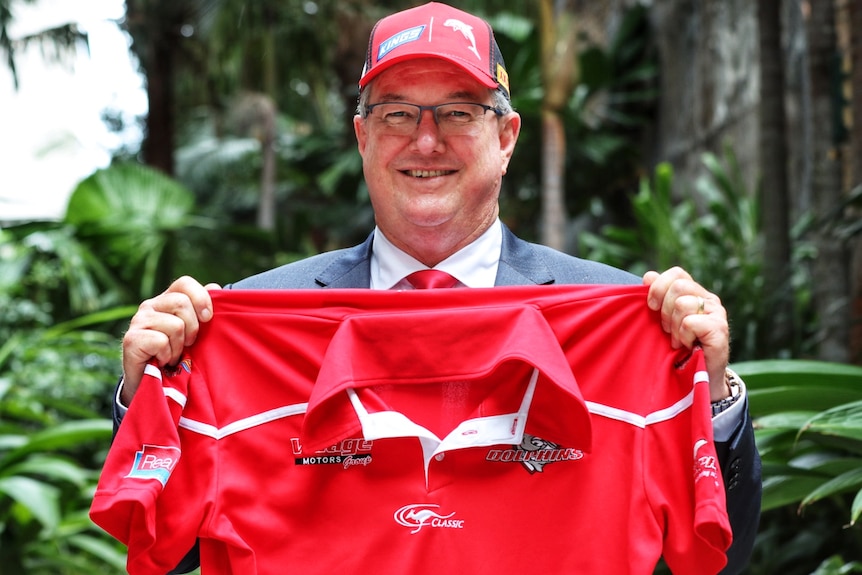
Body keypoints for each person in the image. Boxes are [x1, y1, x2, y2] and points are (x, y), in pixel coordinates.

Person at [111, 2, 760, 573]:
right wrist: (149, 393)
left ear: (506, 138)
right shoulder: (245, 329)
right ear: (362, 137)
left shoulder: (626, 329)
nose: (426, 140)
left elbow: (716, 556)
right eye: (397, 113)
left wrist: (714, 390)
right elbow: (167, 549)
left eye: (458, 111)